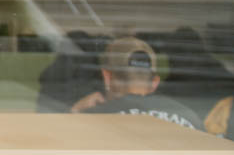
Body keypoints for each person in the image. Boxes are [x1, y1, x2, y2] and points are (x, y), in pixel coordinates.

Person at [70, 36, 204, 130]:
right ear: (154, 83)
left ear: (107, 77)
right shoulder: (190, 119)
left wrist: (74, 113)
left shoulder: (91, 120)